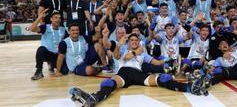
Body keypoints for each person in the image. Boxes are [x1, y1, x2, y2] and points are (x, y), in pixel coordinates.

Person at [69, 34, 207, 107]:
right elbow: (118, 56)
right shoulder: (123, 48)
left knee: (163, 79)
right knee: (108, 83)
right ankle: (94, 98)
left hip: (138, 74)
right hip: (124, 72)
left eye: (136, 40)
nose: (134, 42)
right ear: (129, 42)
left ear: (138, 42)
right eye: (132, 40)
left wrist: (168, 60)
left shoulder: (143, 53)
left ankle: (190, 88)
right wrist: (122, 46)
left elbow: (156, 62)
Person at [30, 9, 66, 80]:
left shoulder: (63, 29)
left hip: (57, 56)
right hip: (47, 53)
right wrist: (39, 17)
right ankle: (39, 71)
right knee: (41, 49)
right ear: (51, 19)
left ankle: (51, 65)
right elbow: (32, 29)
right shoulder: (45, 27)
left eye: (59, 18)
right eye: (55, 18)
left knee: (65, 71)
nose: (58, 19)